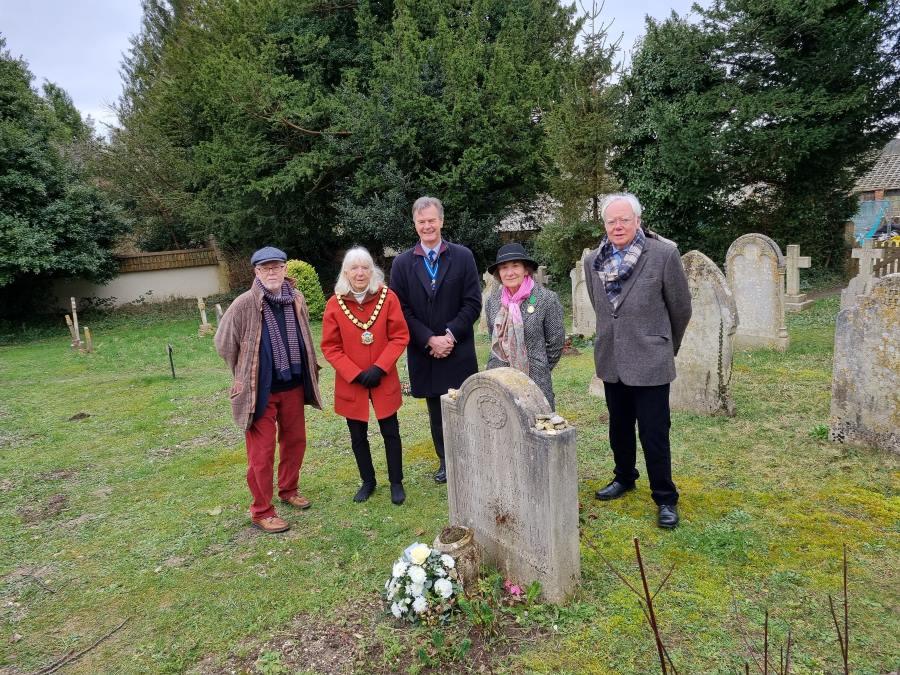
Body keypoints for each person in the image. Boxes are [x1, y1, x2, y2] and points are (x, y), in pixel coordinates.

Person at [585, 193, 692, 529]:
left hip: (651, 360)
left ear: (638, 221)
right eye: (611, 221)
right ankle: (624, 477)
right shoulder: (593, 260)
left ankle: (665, 497)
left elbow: (680, 308)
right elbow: (601, 307)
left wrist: (663, 347)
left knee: (654, 432)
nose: (617, 226)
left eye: (624, 220)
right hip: (612, 358)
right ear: (604, 224)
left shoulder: (663, 254)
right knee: (618, 427)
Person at [215, 246, 322, 534]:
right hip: (259, 391)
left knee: (295, 441)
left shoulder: (296, 298)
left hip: (293, 385)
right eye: (266, 268)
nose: (272, 272)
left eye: (277, 267)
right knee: (261, 455)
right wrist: (243, 371)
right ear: (257, 272)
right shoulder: (244, 304)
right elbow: (223, 343)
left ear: (285, 269)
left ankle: (289, 489)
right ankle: (261, 510)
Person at [390, 196, 482, 483]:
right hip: (425, 350)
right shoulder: (402, 264)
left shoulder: (463, 256)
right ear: (414, 225)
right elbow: (400, 309)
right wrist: (429, 339)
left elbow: (472, 303)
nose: (427, 226)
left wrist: (449, 335)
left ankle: (470, 457)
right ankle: (446, 460)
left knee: (464, 405)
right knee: (436, 408)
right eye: (421, 222)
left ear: (441, 221)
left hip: (458, 348)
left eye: (432, 220)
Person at [321, 247, 410, 505]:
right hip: (353, 383)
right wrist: (355, 373)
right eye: (354, 268)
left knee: (390, 431)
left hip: (383, 378)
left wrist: (380, 367)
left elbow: (399, 336)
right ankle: (368, 481)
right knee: (357, 435)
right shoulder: (334, 304)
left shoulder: (387, 297)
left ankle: (396, 482)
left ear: (373, 270)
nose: (360, 273)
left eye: (365, 267)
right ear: (345, 272)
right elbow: (330, 346)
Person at [484, 243, 565, 408]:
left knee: (539, 428)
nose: (510, 272)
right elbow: (494, 337)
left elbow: (556, 342)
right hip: (500, 377)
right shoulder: (493, 301)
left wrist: (538, 366)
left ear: (526, 269)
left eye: (515, 266)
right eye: (504, 267)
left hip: (535, 380)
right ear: (499, 273)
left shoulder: (546, 299)